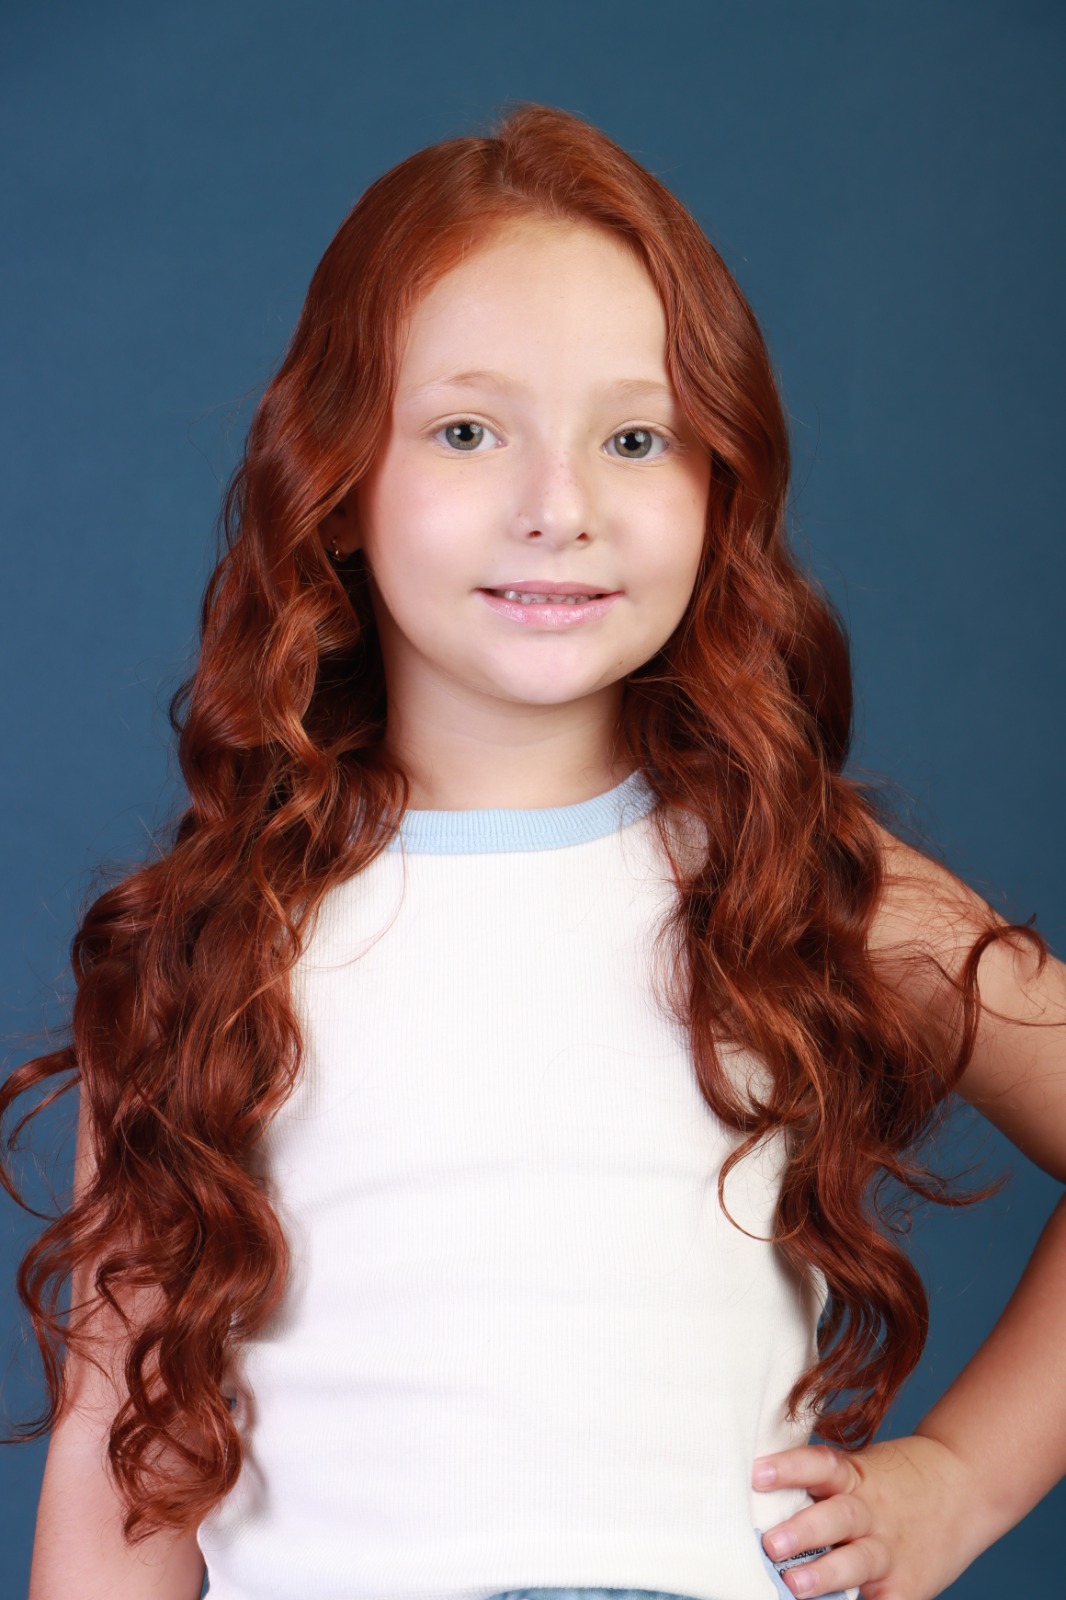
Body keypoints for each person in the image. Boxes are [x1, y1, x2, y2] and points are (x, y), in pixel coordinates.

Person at [3, 101, 1064, 1600]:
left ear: (719, 485)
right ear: (337, 480)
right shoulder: (209, 946)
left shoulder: (796, 882)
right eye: (466, 431)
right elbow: (126, 1457)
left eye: (634, 438)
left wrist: (959, 1480)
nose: (557, 508)